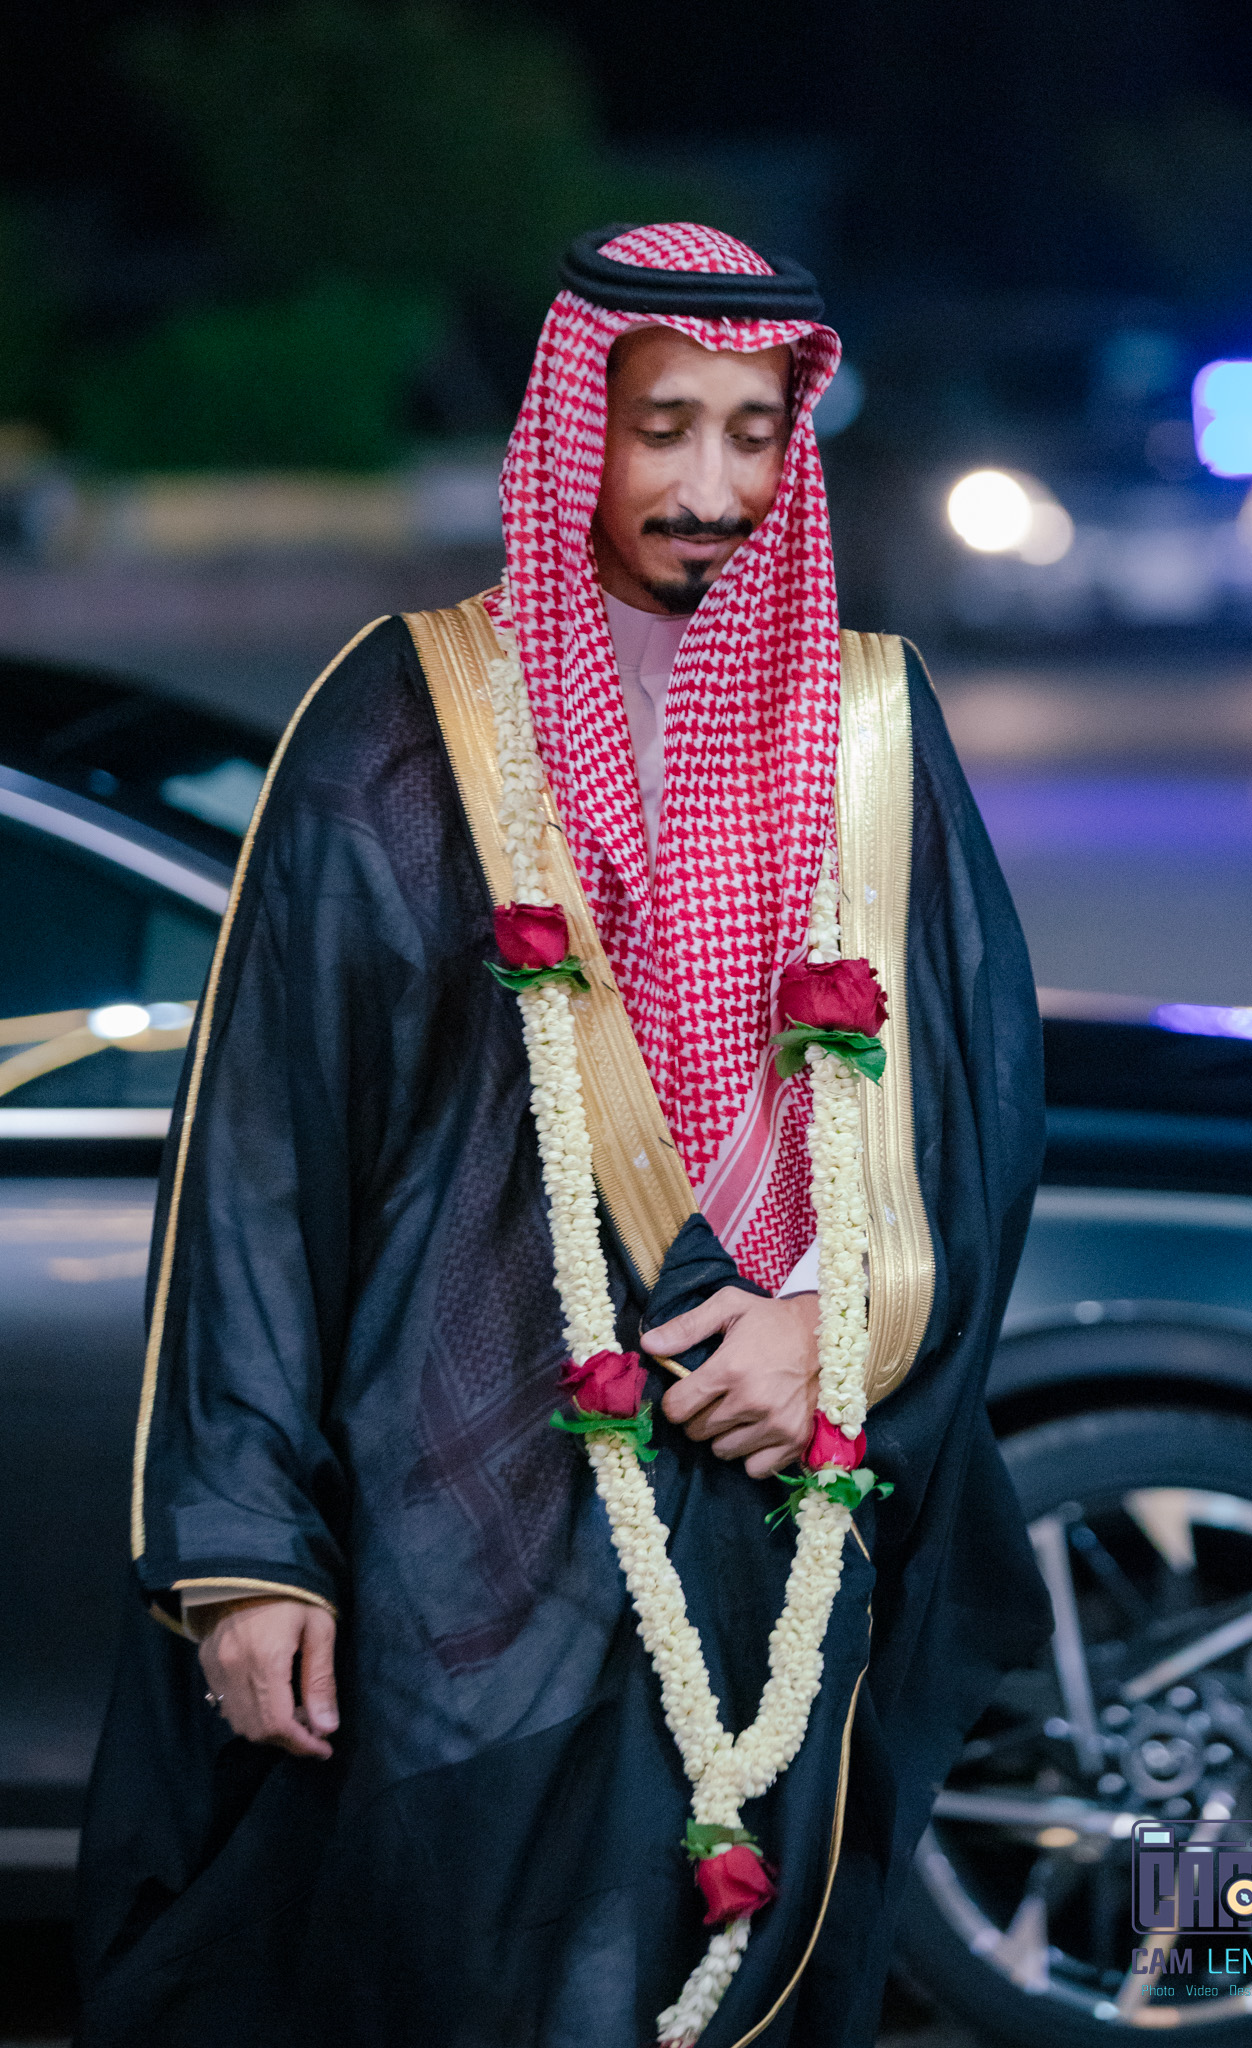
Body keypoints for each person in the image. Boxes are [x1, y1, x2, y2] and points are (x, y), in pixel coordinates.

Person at [76, 224, 1052, 2048]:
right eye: (661, 427)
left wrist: (841, 1329)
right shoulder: (406, 716)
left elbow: (976, 1107)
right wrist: (249, 1546)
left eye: (751, 434)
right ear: (573, 428)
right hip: (456, 1520)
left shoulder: (870, 724)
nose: (707, 488)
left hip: (773, 1491)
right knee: (467, 1976)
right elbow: (268, 1155)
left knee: (744, 1966)